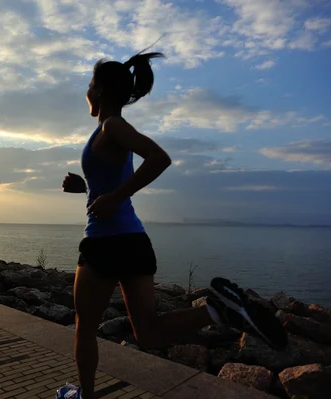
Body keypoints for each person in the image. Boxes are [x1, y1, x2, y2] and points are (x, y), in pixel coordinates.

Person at [62, 48, 287, 399]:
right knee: (149, 334)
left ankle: (84, 397)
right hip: (132, 239)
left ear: (101, 89)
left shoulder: (112, 125)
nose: (87, 92)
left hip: (104, 244)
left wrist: (115, 197)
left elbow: (159, 158)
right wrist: (88, 189)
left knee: (85, 329)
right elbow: (110, 190)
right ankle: (218, 309)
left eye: (90, 84)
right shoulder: (110, 130)